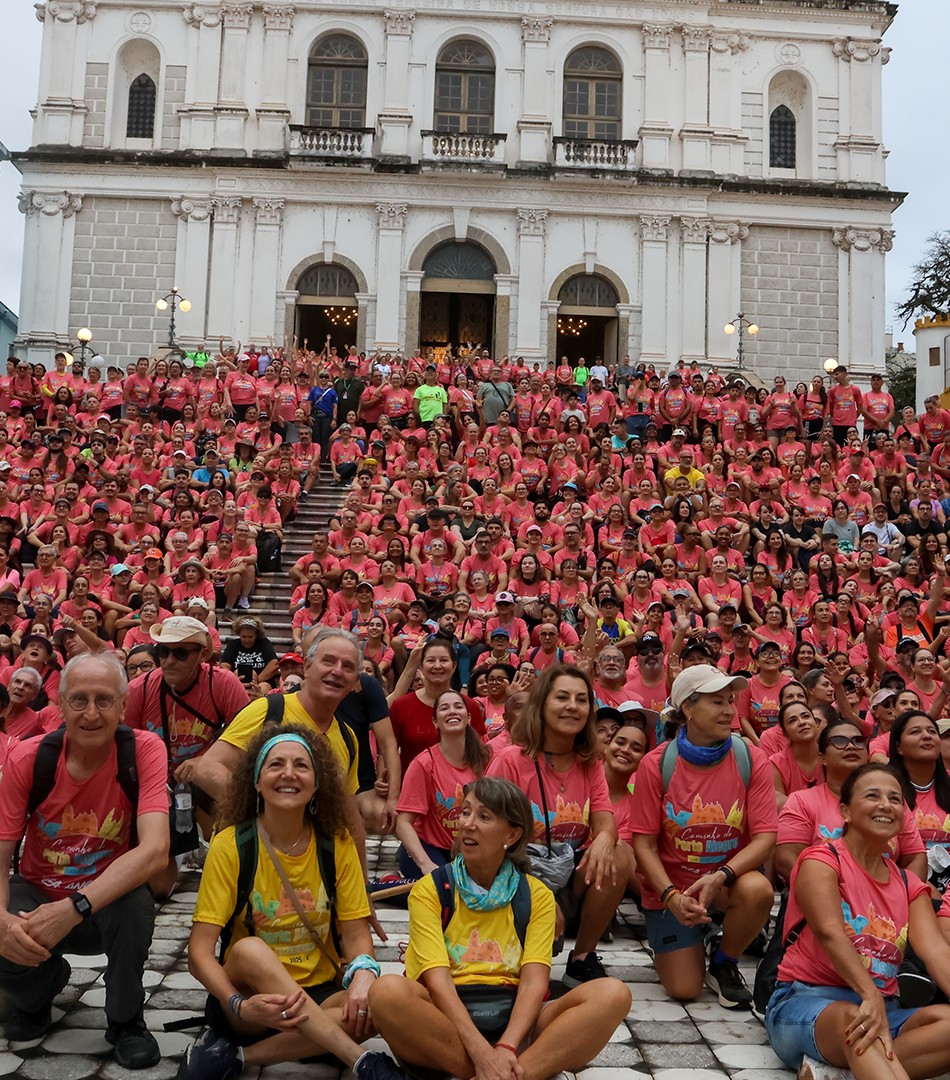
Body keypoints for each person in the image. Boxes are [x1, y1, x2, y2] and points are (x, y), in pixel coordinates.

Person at [369, 777, 631, 1080]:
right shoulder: (432, 890)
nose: (467, 824)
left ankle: (506, 1073)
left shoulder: (537, 896)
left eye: (484, 816)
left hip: (515, 1024)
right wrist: (481, 1052)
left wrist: (506, 1046)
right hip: (445, 1026)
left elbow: (534, 984)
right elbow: (437, 981)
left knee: (613, 994)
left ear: (513, 834)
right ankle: (492, 1072)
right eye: (465, 812)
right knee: (386, 991)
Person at [180, 722, 401, 1080]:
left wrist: (362, 974)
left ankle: (238, 1057)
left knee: (373, 1005)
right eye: (275, 764)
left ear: (317, 783)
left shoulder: (336, 843)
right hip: (251, 1000)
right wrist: (240, 1004)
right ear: (255, 780)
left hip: (320, 992)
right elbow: (199, 953)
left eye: (301, 765)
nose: (288, 774)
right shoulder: (232, 844)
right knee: (250, 949)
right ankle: (361, 1061)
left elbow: (356, 933)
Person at [0, 652, 168, 1067]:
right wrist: (0, 921)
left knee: (134, 907)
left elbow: (155, 850)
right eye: (78, 700)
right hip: (37, 894)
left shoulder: (144, 750)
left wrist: (76, 906)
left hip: (103, 902)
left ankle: (126, 1019)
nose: (91, 713)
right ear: (59, 706)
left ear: (123, 706)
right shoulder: (28, 757)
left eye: (104, 700)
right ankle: (38, 992)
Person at [765, 763, 950, 1080]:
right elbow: (829, 932)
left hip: (883, 1011)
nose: (885, 805)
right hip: (807, 1002)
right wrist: (871, 995)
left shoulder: (908, 884)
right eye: (872, 796)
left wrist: (876, 1002)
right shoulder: (822, 860)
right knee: (859, 1022)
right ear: (845, 811)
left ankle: (837, 1074)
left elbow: (936, 952)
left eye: (895, 799)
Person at [630, 665, 778, 1007]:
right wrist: (669, 896)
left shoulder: (751, 759)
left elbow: (765, 838)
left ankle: (724, 960)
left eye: (731, 700)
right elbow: (644, 844)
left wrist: (720, 876)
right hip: (674, 888)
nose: (729, 710)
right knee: (684, 990)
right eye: (716, 702)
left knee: (758, 890)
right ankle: (693, 936)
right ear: (688, 708)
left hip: (725, 883)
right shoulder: (656, 765)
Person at [487, 664, 625, 986]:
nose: (572, 706)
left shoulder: (590, 764)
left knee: (621, 855)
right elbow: (488, 841)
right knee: (529, 976)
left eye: (581, 699)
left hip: (565, 874)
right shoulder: (510, 760)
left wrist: (605, 837)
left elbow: (605, 819)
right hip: (517, 875)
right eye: (562, 697)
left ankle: (582, 958)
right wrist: (539, 896)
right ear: (541, 704)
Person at [123, 615, 250, 898]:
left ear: (203, 654)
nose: (168, 661)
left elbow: (249, 743)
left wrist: (209, 762)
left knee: (210, 776)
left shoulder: (223, 684)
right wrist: (152, 785)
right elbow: (123, 749)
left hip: (204, 781)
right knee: (160, 889)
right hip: (159, 784)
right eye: (162, 652)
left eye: (180, 653)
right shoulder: (140, 689)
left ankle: (220, 843)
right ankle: (181, 846)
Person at [394, 688, 490, 879]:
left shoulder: (488, 760)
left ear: (469, 717)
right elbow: (403, 823)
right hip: (429, 848)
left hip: (473, 847)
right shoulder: (423, 763)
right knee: (445, 891)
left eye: (458, 706)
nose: (452, 711)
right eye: (444, 708)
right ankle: (391, 883)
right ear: (435, 721)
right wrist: (425, 864)